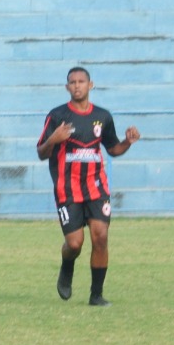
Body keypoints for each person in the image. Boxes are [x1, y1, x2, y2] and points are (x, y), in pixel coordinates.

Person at [36, 66, 141, 307]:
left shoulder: (103, 117)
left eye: (81, 81)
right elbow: (42, 153)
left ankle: (96, 295)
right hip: (67, 188)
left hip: (96, 187)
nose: (77, 85)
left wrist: (128, 142)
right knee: (74, 244)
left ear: (90, 85)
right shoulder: (57, 116)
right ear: (67, 87)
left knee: (101, 237)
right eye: (72, 82)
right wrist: (54, 139)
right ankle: (67, 265)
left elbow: (113, 149)